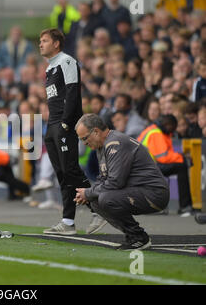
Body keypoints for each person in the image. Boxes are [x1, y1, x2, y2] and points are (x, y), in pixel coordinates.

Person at [74, 113, 169, 250]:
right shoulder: (102, 146)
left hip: (154, 193)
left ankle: (139, 238)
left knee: (105, 198)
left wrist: (88, 192)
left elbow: (115, 182)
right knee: (95, 199)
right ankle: (133, 236)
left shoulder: (115, 143)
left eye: (84, 138)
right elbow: (103, 178)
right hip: (139, 190)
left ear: (95, 131)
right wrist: (87, 195)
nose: (84, 143)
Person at [38, 28, 92, 235]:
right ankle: (68, 222)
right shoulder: (50, 68)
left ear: (56, 43)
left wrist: (66, 123)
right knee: (62, 173)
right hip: (52, 125)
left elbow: (72, 93)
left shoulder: (67, 62)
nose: (40, 44)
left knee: (70, 170)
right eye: (40, 41)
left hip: (63, 125)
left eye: (44, 41)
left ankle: (98, 208)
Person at [137, 114, 194, 216]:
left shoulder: (154, 130)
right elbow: (163, 157)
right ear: (167, 124)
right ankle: (185, 207)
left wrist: (180, 157)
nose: (173, 130)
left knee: (181, 164)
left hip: (143, 166)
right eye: (172, 127)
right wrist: (182, 157)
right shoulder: (156, 133)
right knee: (181, 166)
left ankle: (182, 207)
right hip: (145, 167)